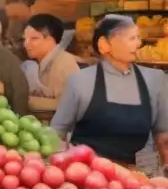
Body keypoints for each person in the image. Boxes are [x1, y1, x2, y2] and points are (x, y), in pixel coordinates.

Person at [52, 15, 168, 165]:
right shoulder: (80, 81)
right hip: (87, 174)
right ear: (104, 45)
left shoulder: (154, 79)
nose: (138, 44)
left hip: (135, 176)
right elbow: (57, 132)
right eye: (131, 38)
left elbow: (163, 136)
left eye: (138, 38)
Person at [22, 13, 79, 101]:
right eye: (25, 39)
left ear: (51, 40)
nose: (26, 44)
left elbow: (65, 106)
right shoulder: (35, 64)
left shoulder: (64, 65)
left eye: (34, 38)